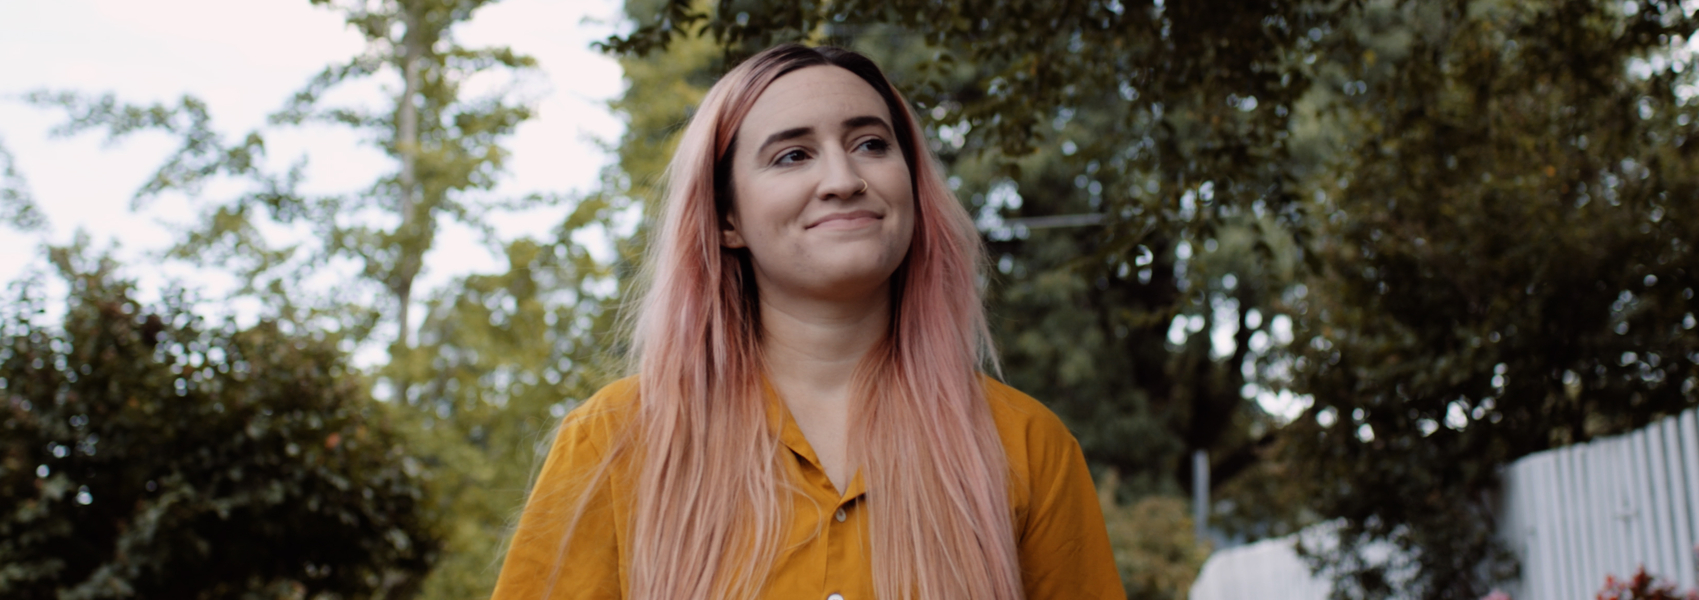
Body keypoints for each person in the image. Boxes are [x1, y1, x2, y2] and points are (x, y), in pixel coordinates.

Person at [492, 43, 1124, 600]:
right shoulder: (614, 442)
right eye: (793, 155)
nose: (843, 179)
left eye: (871, 144)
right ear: (727, 220)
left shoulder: (1027, 447)